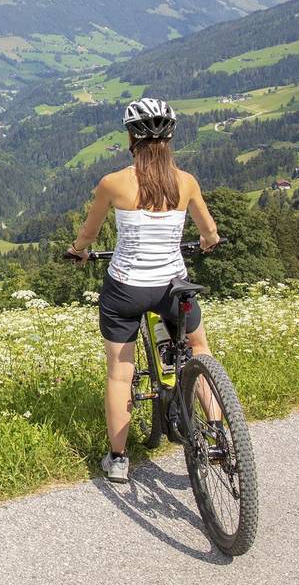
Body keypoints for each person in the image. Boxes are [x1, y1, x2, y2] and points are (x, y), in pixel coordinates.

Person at [64, 98, 220, 484]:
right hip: (172, 287)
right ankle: (217, 434)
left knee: (120, 373)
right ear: (170, 136)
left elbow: (89, 234)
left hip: (126, 291)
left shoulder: (113, 183)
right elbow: (210, 232)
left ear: (131, 136)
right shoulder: (185, 182)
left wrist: (78, 252)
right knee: (199, 350)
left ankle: (118, 459)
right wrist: (206, 243)